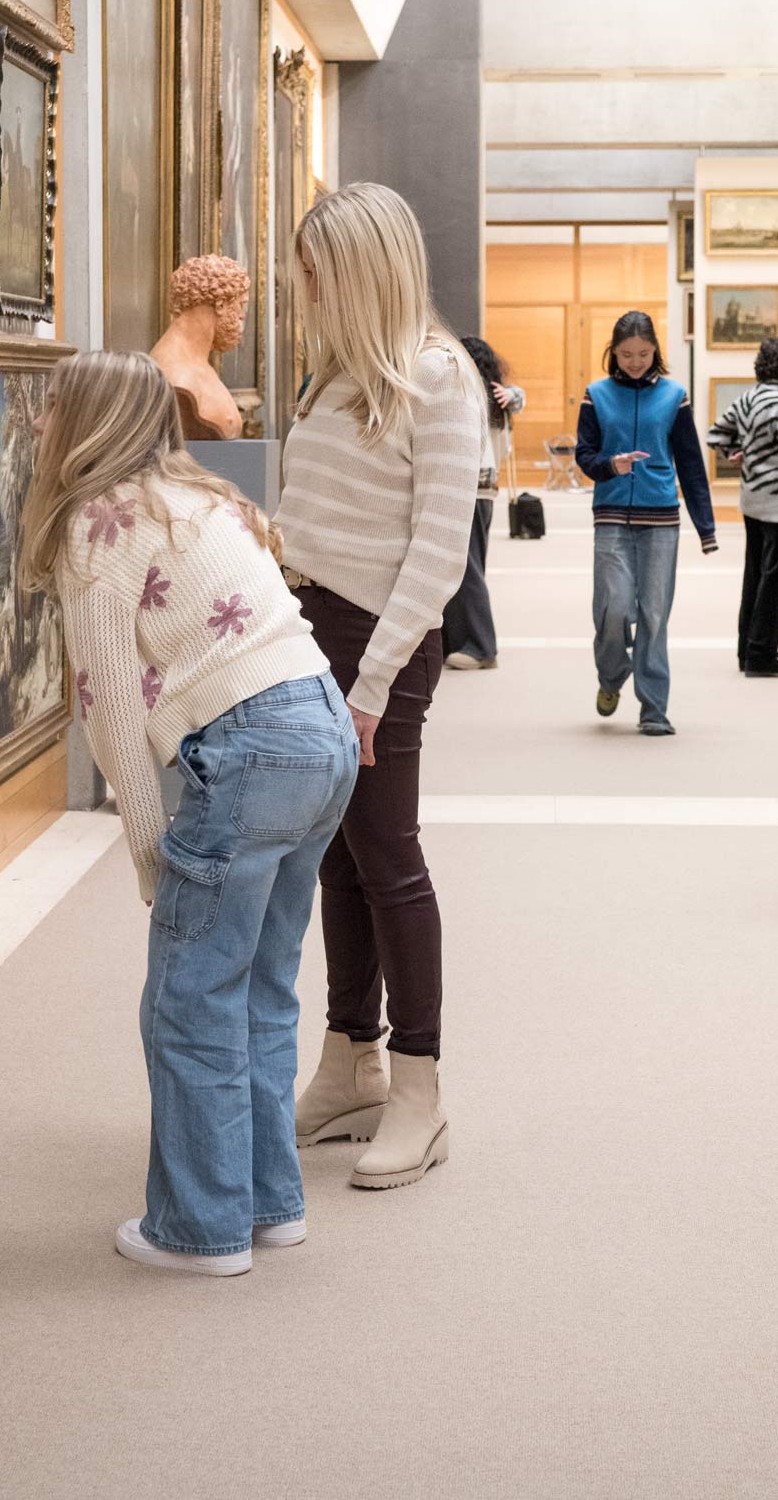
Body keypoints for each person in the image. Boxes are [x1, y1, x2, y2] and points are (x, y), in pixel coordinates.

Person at [24, 351, 359, 1276]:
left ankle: (201, 1229)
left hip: (254, 749)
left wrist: (147, 851)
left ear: (88, 420)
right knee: (256, 984)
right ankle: (269, 1203)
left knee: (188, 997)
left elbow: (110, 708)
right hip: (321, 729)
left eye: (52, 406)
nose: (40, 423)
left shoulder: (98, 522)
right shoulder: (199, 497)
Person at [277, 184, 483, 1191]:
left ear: (361, 273)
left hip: (381, 643)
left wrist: (369, 687)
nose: (303, 289)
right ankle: (349, 1058)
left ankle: (418, 1085)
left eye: (316, 273)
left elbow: (439, 553)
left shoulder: (440, 380)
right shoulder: (331, 377)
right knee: (338, 857)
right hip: (303, 630)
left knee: (389, 855)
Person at [574, 310, 718, 735]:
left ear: (655, 350)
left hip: (661, 518)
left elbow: (691, 464)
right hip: (612, 516)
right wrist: (609, 466)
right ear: (612, 353)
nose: (635, 361)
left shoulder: (674, 396)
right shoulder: (595, 394)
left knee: (654, 615)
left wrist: (705, 527)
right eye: (625, 354)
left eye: (643, 353)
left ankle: (654, 708)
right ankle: (611, 676)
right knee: (614, 608)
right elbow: (585, 455)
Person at [705, 334, 778, 679]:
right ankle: (762, 654)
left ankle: (747, 650)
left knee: (755, 574)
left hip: (751, 499)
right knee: (775, 579)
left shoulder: (749, 397)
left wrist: (734, 455)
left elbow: (716, 435)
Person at [441, 335, 523, 671]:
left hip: (467, 490)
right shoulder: (498, 401)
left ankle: (481, 646)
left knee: (467, 569)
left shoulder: (467, 397)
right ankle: (458, 640)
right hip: (485, 491)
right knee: (468, 567)